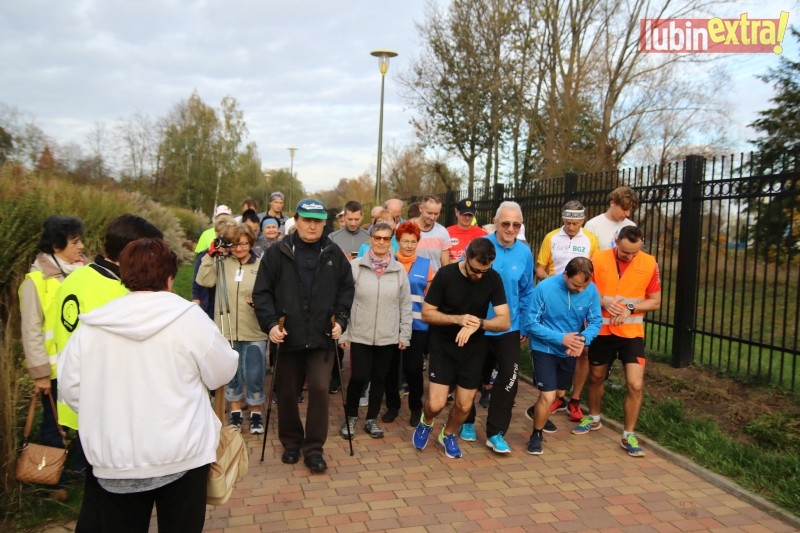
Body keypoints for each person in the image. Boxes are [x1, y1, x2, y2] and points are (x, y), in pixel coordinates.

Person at [57, 238, 238, 532]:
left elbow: (71, 389)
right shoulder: (189, 320)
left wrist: (107, 416)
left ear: (124, 273)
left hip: (115, 458)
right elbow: (221, 372)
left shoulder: (94, 326)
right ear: (169, 277)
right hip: (183, 453)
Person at [49, 214, 164, 530]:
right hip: (108, 408)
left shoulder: (76, 278)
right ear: (131, 252)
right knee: (112, 502)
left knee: (96, 494)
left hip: (77, 400)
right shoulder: (118, 293)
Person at [252, 197, 355, 474]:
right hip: (288, 335)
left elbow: (347, 289)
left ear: (324, 224)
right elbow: (262, 293)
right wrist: (270, 324)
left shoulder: (333, 253)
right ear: (296, 221)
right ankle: (291, 442)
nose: (312, 226)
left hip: (322, 336)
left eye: (318, 222)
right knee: (287, 392)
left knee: (320, 389)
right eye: (307, 220)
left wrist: (341, 319)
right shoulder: (277, 252)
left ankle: (313, 449)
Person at [412, 238, 510, 459]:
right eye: (475, 270)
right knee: (435, 404)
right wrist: (458, 319)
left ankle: (447, 434)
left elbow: (504, 321)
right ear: (466, 256)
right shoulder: (446, 275)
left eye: (485, 270)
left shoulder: (493, 278)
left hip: (473, 348)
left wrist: (480, 323)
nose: (480, 275)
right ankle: (426, 421)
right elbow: (426, 314)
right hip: (443, 345)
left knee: (464, 406)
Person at [572, 226, 661, 458]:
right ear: (616, 242)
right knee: (596, 377)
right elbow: (583, 289)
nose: (629, 257)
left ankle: (628, 434)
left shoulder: (650, 263)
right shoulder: (598, 259)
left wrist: (630, 307)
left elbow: (655, 302)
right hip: (601, 331)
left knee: (635, 384)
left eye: (634, 253)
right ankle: (594, 418)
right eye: (625, 253)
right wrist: (603, 301)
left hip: (631, 333)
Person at [18, 215, 86, 500]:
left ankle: (79, 469)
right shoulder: (36, 281)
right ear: (57, 246)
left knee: (87, 419)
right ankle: (50, 480)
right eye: (75, 242)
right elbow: (31, 330)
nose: (81, 247)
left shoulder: (83, 272)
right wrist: (40, 374)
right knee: (54, 424)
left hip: (84, 365)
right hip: (55, 371)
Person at [460, 201, 535, 453]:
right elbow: (463, 279)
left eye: (516, 224)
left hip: (508, 327)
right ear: (495, 222)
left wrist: (523, 324)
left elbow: (527, 290)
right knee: (472, 375)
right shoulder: (479, 245)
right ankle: (467, 419)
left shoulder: (524, 252)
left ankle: (496, 432)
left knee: (509, 378)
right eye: (506, 223)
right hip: (478, 325)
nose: (511, 229)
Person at [339, 223, 412, 440]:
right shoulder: (355, 267)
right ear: (370, 239)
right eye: (377, 238)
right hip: (360, 333)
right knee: (358, 377)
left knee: (380, 378)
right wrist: (343, 332)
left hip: (388, 336)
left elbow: (405, 304)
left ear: (391, 241)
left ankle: (371, 419)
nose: (381, 242)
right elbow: (344, 302)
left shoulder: (399, 270)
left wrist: (404, 334)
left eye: (386, 239)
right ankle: (351, 417)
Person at [531, 200, 599, 424]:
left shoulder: (590, 239)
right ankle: (548, 396)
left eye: (575, 223)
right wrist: (552, 285)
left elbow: (593, 272)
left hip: (578, 301)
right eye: (568, 222)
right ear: (563, 219)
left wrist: (582, 290)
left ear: (583, 221)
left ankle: (572, 398)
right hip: (554, 295)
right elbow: (540, 267)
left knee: (581, 349)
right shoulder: (551, 237)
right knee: (553, 342)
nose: (571, 227)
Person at [526, 257, 602, 455]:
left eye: (584, 286)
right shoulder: (544, 288)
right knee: (548, 395)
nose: (580, 290)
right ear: (565, 275)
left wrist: (582, 339)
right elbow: (531, 323)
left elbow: (595, 321)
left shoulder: (591, 290)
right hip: (544, 348)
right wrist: (562, 339)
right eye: (576, 285)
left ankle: (536, 411)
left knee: (559, 394)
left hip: (570, 349)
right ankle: (536, 434)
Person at [197, 223, 267, 434]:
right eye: (235, 244)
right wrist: (210, 255)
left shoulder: (261, 265)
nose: (239, 248)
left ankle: (256, 413)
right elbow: (203, 280)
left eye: (244, 244)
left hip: (254, 330)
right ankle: (235, 412)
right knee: (232, 375)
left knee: (255, 375)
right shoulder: (221, 262)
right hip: (226, 331)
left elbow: (270, 292)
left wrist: (259, 302)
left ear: (251, 243)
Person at [382, 221, 435, 426]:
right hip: (391, 323)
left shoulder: (426, 265)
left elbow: (430, 296)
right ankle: (392, 406)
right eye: (405, 241)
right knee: (391, 368)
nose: (410, 245)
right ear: (398, 241)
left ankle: (415, 407)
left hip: (417, 325)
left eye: (413, 241)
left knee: (413, 369)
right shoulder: (388, 262)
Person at [192, 215, 235, 319]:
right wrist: (196, 302)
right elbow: (197, 282)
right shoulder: (205, 255)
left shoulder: (237, 254)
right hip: (209, 303)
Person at [584, 186, 638, 251]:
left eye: (630, 210)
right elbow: (587, 253)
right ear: (612, 203)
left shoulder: (632, 226)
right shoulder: (592, 225)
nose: (627, 214)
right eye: (624, 209)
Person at [414, 194, 451, 271]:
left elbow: (445, 263)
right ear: (421, 208)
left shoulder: (442, 232)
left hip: (435, 278)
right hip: (411, 277)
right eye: (429, 213)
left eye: (436, 214)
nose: (432, 217)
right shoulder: (408, 229)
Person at [446, 198, 487, 263]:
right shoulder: (446, 233)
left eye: (470, 215)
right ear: (456, 212)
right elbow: (443, 262)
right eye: (464, 214)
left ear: (475, 214)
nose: (467, 218)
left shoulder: (483, 234)